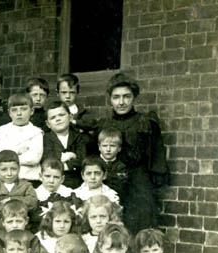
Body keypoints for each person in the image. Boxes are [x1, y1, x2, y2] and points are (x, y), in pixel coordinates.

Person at [97, 72, 168, 234]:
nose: (121, 102)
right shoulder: (103, 125)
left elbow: (157, 153)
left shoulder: (146, 123)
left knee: (140, 225)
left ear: (134, 97)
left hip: (138, 183)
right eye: (116, 97)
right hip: (111, 181)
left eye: (126, 96)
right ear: (110, 99)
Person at [0, 93, 44, 183]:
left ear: (32, 111)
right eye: (14, 110)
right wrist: (18, 151)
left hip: (30, 178)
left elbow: (34, 158)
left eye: (24, 109)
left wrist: (10, 154)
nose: (19, 113)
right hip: (7, 178)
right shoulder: (2, 131)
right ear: (9, 113)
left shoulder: (37, 133)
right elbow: (0, 156)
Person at [42, 100, 90, 189]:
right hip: (54, 184)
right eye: (53, 117)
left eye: (61, 115)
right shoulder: (45, 139)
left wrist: (65, 165)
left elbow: (82, 159)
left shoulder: (78, 137)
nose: (58, 119)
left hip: (77, 182)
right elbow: (48, 159)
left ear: (70, 117)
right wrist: (70, 155)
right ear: (48, 124)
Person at [30, 157, 82, 232]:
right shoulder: (34, 195)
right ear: (40, 176)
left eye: (56, 177)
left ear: (62, 179)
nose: (51, 181)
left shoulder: (70, 194)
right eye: (47, 176)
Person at [0, 150, 38, 222]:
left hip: (23, 223)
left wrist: (11, 199)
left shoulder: (26, 185)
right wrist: (20, 206)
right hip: (0, 225)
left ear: (19, 168)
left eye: (13, 169)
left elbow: (33, 204)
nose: (9, 173)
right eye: (4, 170)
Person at [97, 126, 129, 203]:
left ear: (119, 148)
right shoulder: (94, 163)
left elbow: (119, 188)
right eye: (104, 146)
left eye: (112, 146)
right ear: (99, 147)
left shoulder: (121, 167)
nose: (108, 149)